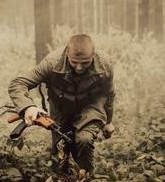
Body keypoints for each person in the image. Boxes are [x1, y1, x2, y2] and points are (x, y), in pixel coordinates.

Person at [8, 34, 115, 175]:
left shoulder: (105, 64)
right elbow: (18, 83)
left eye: (85, 62)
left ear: (93, 56)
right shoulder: (52, 62)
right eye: (74, 62)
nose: (79, 67)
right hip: (60, 107)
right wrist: (28, 107)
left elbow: (109, 94)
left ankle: (87, 176)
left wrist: (108, 122)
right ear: (67, 53)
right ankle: (61, 176)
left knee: (84, 140)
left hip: (90, 106)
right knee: (60, 150)